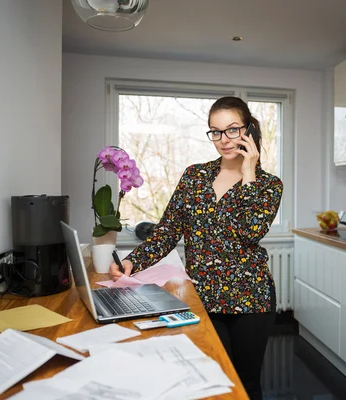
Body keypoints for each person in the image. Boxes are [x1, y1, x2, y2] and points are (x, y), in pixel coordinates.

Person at [109, 96, 283, 399]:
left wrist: (250, 170)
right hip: (202, 296)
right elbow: (168, 230)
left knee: (246, 384)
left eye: (232, 130)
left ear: (249, 130)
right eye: (215, 131)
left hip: (251, 298)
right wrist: (131, 261)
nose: (223, 140)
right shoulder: (194, 176)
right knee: (211, 378)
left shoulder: (269, 185)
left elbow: (248, 232)